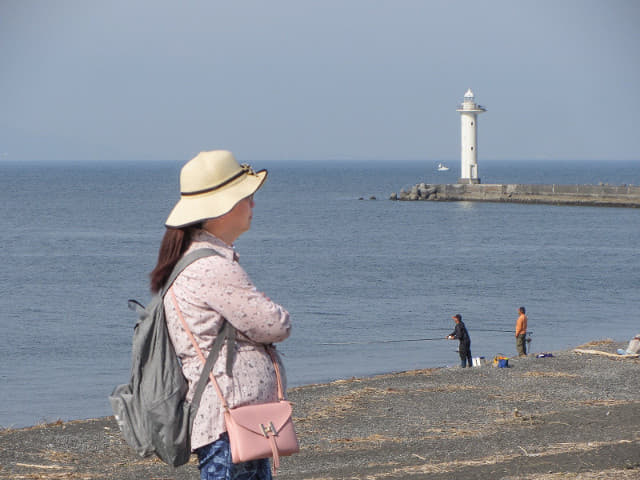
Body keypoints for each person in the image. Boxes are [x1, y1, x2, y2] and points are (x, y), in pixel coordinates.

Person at [150, 150, 291, 480]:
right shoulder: (212, 267)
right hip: (228, 421)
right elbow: (275, 323)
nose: (253, 205)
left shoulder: (200, 261)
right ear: (223, 208)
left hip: (235, 420)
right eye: (247, 197)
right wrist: (274, 313)